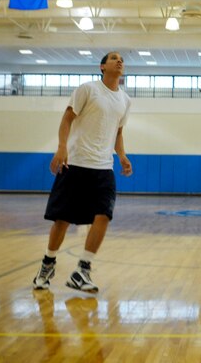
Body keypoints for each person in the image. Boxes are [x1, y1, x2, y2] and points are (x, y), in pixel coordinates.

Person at [32, 51, 133, 293]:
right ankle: (48, 263)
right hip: (76, 163)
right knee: (62, 220)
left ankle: (82, 270)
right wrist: (61, 148)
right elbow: (67, 119)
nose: (119, 61)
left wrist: (122, 156)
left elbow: (118, 133)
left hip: (103, 168)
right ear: (102, 66)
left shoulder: (125, 100)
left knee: (103, 216)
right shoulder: (87, 89)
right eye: (113, 58)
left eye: (121, 59)